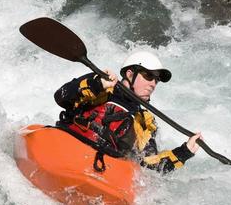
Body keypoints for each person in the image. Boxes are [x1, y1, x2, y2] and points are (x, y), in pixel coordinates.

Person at [54, 50, 203, 173]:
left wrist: (184, 152)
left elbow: (149, 166)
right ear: (130, 74)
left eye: (156, 80)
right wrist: (97, 83)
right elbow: (61, 96)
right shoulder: (104, 88)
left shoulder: (144, 121)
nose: (153, 84)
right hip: (67, 148)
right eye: (149, 76)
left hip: (100, 168)